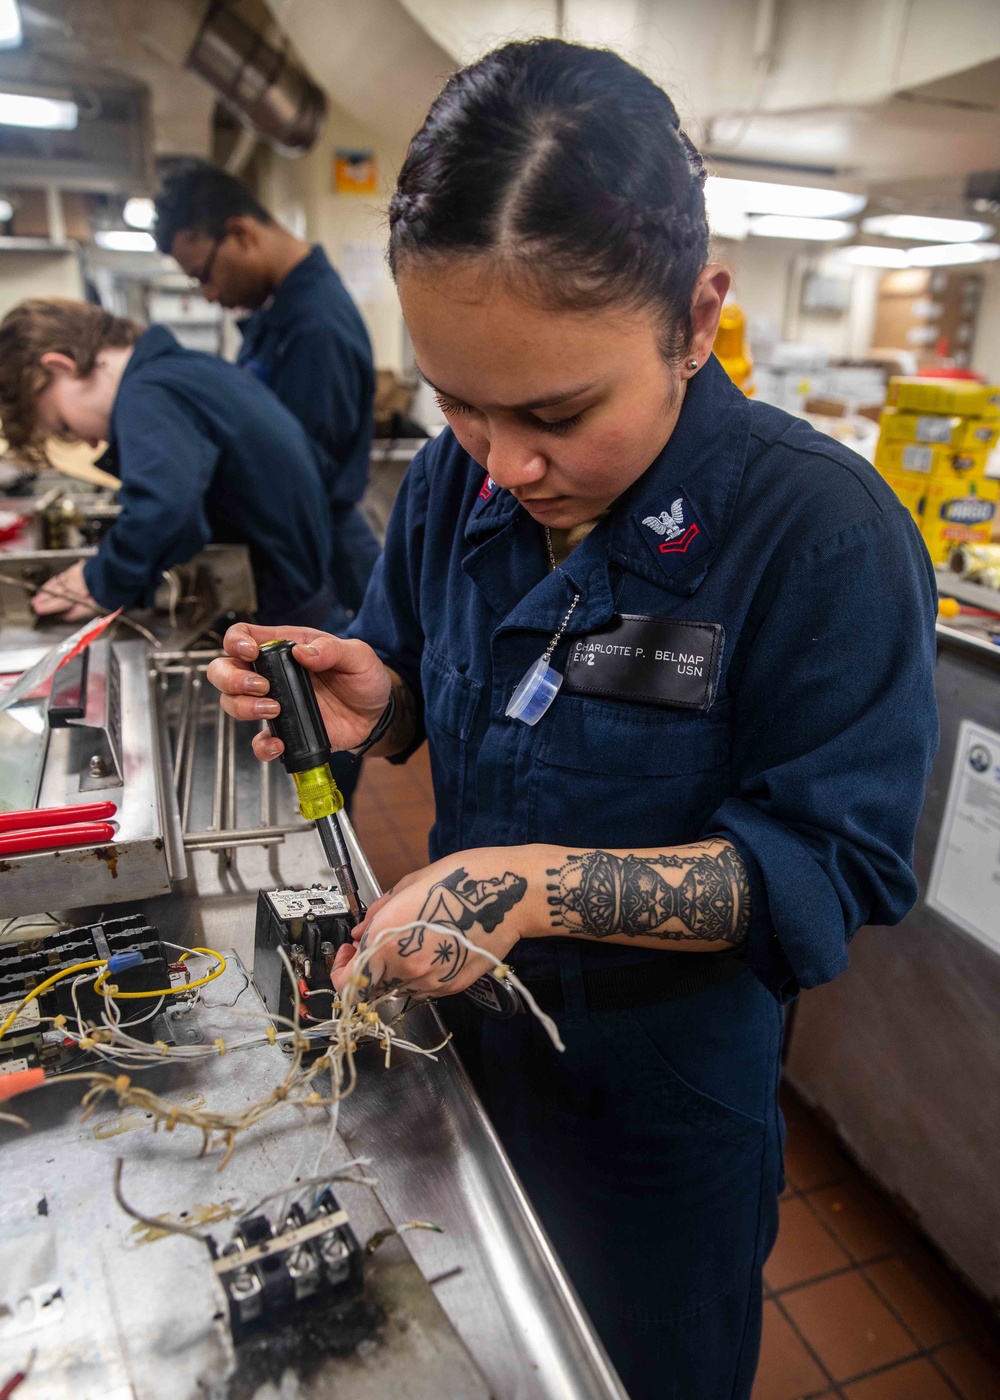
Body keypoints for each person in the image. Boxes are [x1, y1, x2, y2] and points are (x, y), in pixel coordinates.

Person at [206, 40, 939, 1400]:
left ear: (697, 316)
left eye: (557, 411)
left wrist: (542, 888)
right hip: (462, 1061)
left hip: (654, 1120)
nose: (509, 462)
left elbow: (834, 865)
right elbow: (426, 660)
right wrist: (382, 689)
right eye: (459, 402)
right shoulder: (453, 488)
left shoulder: (821, 537)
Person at [0, 299, 335, 629]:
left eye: (64, 426)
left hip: (287, 617)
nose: (89, 442)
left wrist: (98, 578)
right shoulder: (184, 369)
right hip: (305, 595)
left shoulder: (147, 393)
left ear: (61, 366)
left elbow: (163, 508)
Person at [154, 162, 380, 617]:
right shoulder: (281, 314)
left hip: (324, 557)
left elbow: (300, 470)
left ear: (240, 235)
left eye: (205, 276)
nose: (210, 296)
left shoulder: (316, 326)